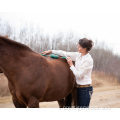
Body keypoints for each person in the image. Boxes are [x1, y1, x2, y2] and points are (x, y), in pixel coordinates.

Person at [41, 38, 94, 108]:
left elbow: (79, 75)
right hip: (77, 88)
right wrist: (51, 51)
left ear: (85, 48)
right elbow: (65, 53)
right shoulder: (78, 55)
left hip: (85, 90)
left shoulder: (88, 60)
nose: (78, 47)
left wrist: (71, 65)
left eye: (79, 46)